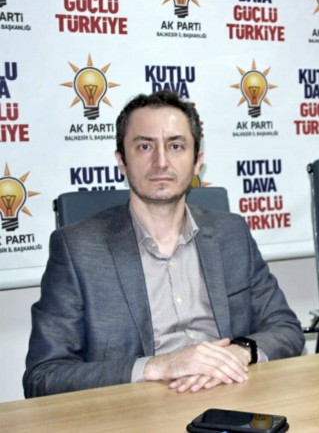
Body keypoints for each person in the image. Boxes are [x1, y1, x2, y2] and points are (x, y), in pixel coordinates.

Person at [24, 91, 304, 398]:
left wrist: (239, 352)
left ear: (197, 162)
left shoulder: (231, 233)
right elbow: (43, 376)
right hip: (139, 409)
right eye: (145, 146)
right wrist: (158, 366)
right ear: (122, 161)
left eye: (175, 146)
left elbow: (286, 329)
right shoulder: (77, 249)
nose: (161, 162)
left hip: (231, 395)